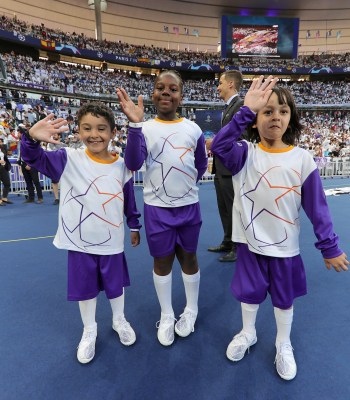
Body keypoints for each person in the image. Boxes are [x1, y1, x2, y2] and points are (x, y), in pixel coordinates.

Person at [211, 75, 349, 380]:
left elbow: (317, 208)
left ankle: (282, 343)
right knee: (249, 293)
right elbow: (219, 145)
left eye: (283, 111)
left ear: (291, 118)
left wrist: (330, 246)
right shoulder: (244, 153)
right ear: (255, 118)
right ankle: (248, 333)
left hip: (285, 246)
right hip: (249, 242)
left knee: (284, 297)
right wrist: (245, 109)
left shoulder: (302, 159)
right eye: (267, 111)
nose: (275, 117)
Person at [20, 102, 142, 364]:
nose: (94, 134)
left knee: (116, 286)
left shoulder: (121, 165)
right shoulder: (67, 158)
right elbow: (33, 158)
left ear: (112, 132)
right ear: (77, 131)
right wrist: (30, 138)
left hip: (111, 242)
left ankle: (119, 320)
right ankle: (90, 329)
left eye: (101, 128)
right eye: (87, 128)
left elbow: (128, 198)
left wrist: (134, 224)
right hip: (79, 244)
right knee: (84, 289)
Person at [116, 70, 208, 346]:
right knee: (162, 262)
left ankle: (191, 310)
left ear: (181, 96)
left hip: (189, 208)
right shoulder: (144, 129)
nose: (166, 92)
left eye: (173, 89)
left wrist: (184, 188)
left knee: (189, 259)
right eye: (160, 87)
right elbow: (132, 164)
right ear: (153, 94)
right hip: (157, 210)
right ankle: (167, 314)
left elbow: (200, 165)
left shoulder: (194, 129)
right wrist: (134, 126)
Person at [208, 70, 245, 262]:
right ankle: (228, 240)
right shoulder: (229, 107)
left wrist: (215, 142)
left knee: (234, 209)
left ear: (231, 84)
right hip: (221, 168)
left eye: (221, 83)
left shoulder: (241, 106)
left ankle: (238, 248)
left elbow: (241, 138)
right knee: (223, 207)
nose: (218, 86)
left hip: (231, 169)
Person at [17, 124, 44, 204]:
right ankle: (31, 197)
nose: (17, 135)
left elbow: (34, 154)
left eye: (18, 133)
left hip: (31, 165)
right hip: (23, 164)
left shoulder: (30, 142)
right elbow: (20, 153)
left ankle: (40, 197)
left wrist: (29, 164)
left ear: (22, 134)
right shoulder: (20, 142)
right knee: (28, 182)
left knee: (36, 181)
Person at [0, 137, 12, 205]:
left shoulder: (3, 148)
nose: (1, 143)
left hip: (3, 167)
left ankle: (4, 197)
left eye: (1, 141)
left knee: (7, 183)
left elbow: (7, 155)